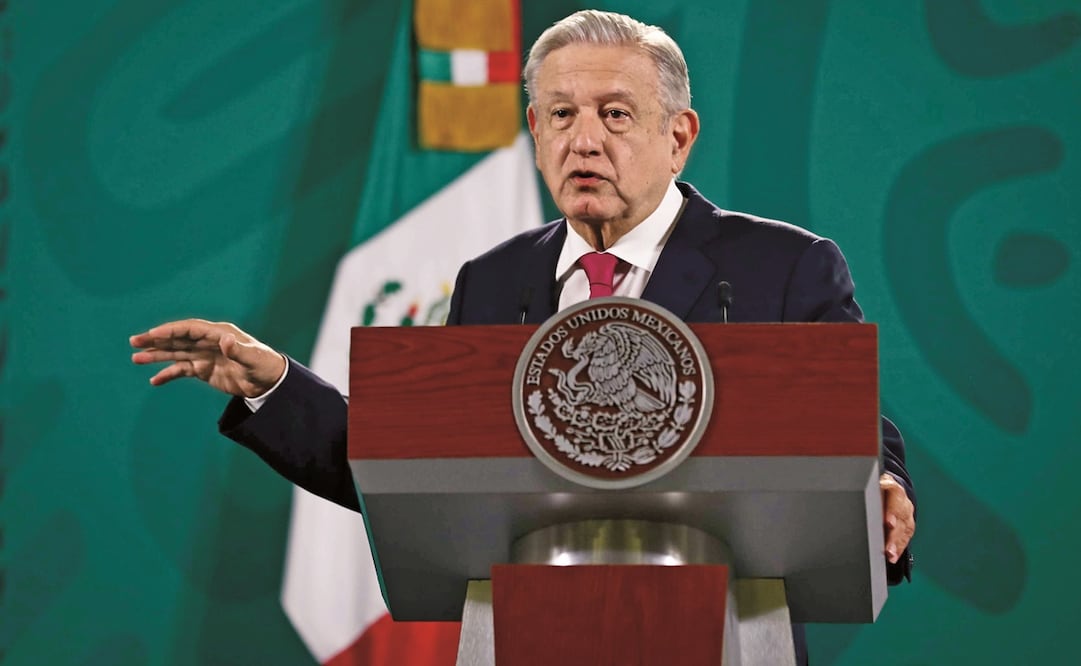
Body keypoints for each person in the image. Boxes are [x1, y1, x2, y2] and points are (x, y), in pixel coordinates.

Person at [131, 10, 915, 663]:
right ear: (535, 131)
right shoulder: (491, 280)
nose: (584, 141)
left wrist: (880, 484)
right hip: (523, 633)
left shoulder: (782, 265)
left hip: (726, 629)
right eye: (561, 115)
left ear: (678, 136)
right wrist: (274, 384)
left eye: (615, 114)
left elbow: (849, 423)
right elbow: (407, 464)